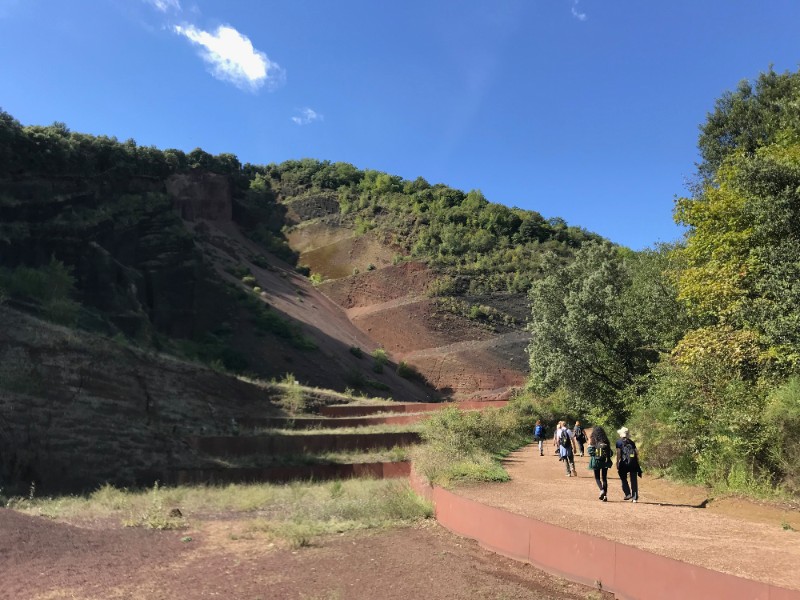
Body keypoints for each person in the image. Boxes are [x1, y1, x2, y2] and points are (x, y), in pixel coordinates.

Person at [616, 426, 642, 502]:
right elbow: (637, 452)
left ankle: (627, 493)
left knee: (623, 478)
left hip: (624, 463)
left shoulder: (619, 442)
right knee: (634, 480)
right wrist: (636, 462)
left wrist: (617, 462)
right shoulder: (632, 442)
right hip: (633, 463)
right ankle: (634, 498)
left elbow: (618, 453)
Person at [587, 426, 613, 501]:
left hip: (596, 461)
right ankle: (605, 495)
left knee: (597, 477)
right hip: (605, 461)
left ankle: (601, 490)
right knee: (604, 478)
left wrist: (589, 446)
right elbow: (611, 453)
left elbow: (590, 452)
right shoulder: (606, 441)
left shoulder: (593, 440)